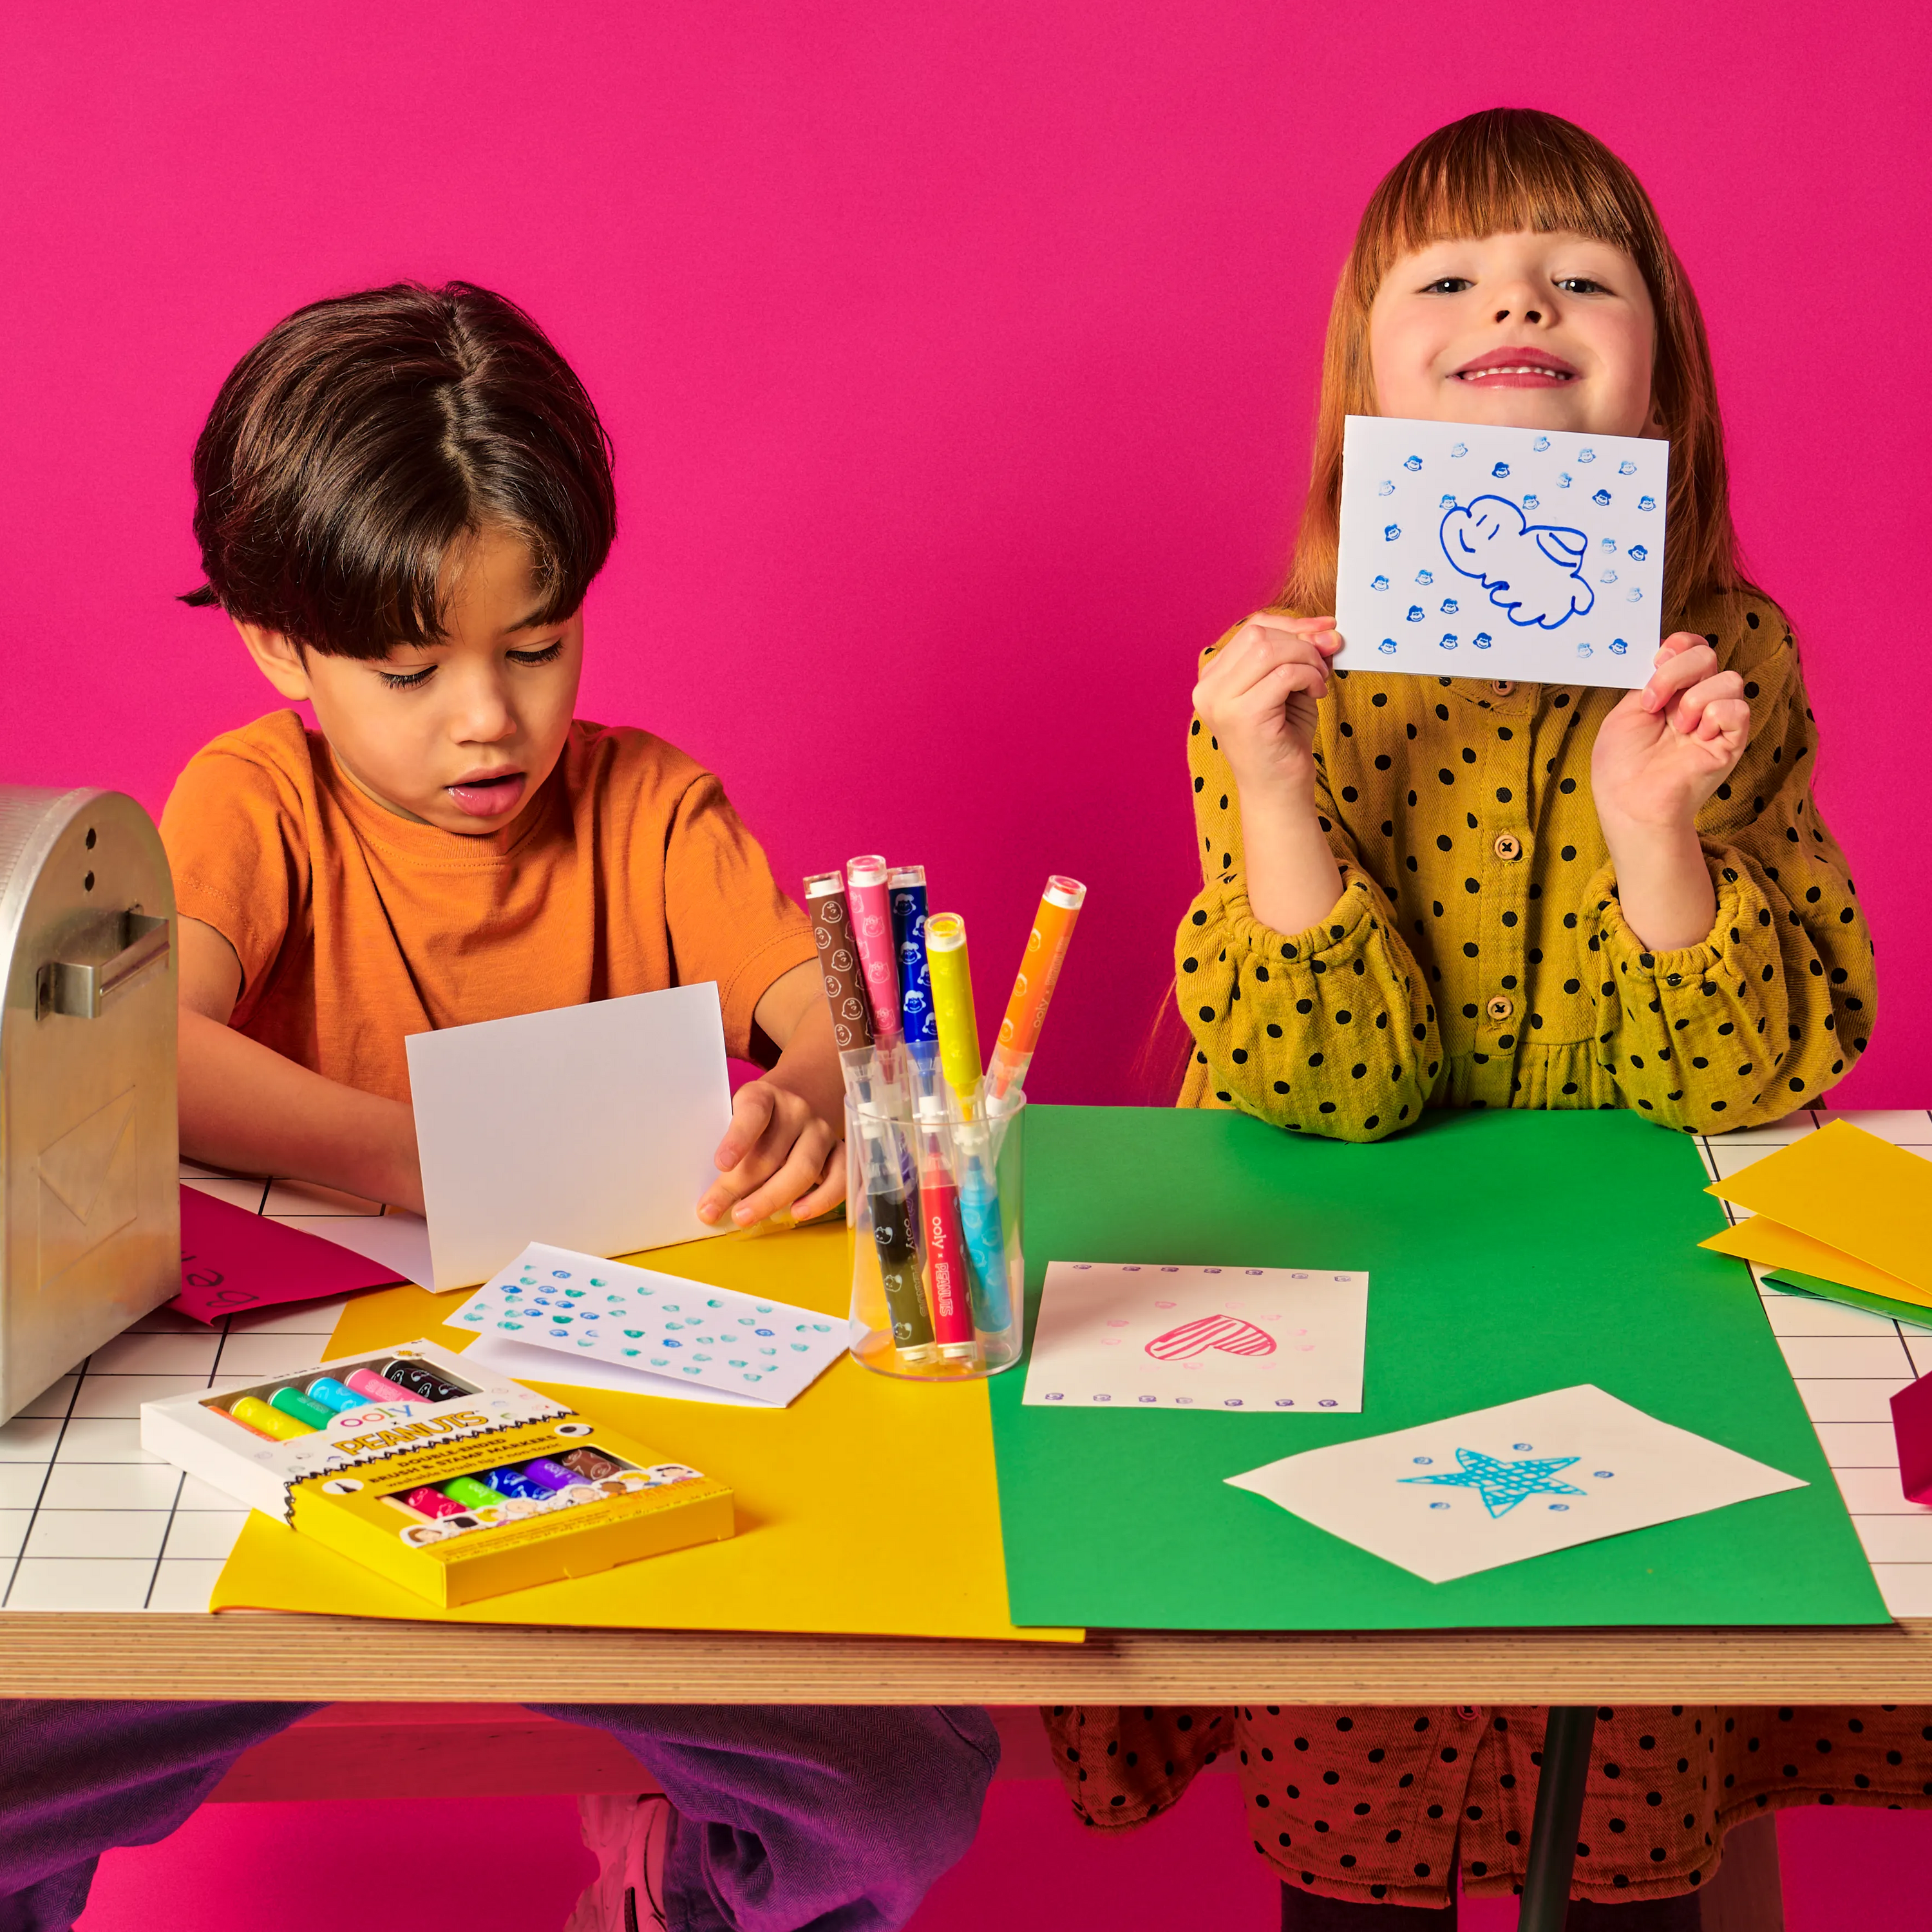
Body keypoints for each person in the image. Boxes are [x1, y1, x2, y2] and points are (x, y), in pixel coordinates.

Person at [0, 281, 996, 1932]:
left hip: (639, 1468)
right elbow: (138, 1045)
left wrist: (819, 1098)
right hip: (296, 1468)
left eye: (536, 647)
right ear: (278, 647)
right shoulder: (259, 799)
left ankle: (671, 1887)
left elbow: (837, 1008)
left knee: (895, 1790)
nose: (490, 716)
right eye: (408, 669)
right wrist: (412, 1152)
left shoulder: (653, 805)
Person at [1046, 108, 1902, 1927]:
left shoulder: (1727, 658)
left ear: (1658, 370)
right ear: (1371, 365)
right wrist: (1270, 797)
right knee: (1362, 1799)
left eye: (1579, 277)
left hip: (1657, 1319)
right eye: (1452, 276)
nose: (1519, 294)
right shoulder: (1291, 673)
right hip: (1364, 1313)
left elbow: (1759, 1074)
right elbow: (1320, 1095)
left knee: (1649, 1797)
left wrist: (1652, 830)